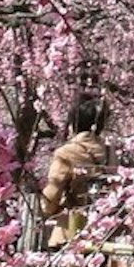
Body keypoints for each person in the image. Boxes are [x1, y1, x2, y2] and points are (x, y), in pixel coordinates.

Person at [38, 92, 112, 248]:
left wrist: (49, 207)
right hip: (104, 231)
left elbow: (51, 198)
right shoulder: (111, 153)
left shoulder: (66, 153)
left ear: (73, 121)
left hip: (70, 231)